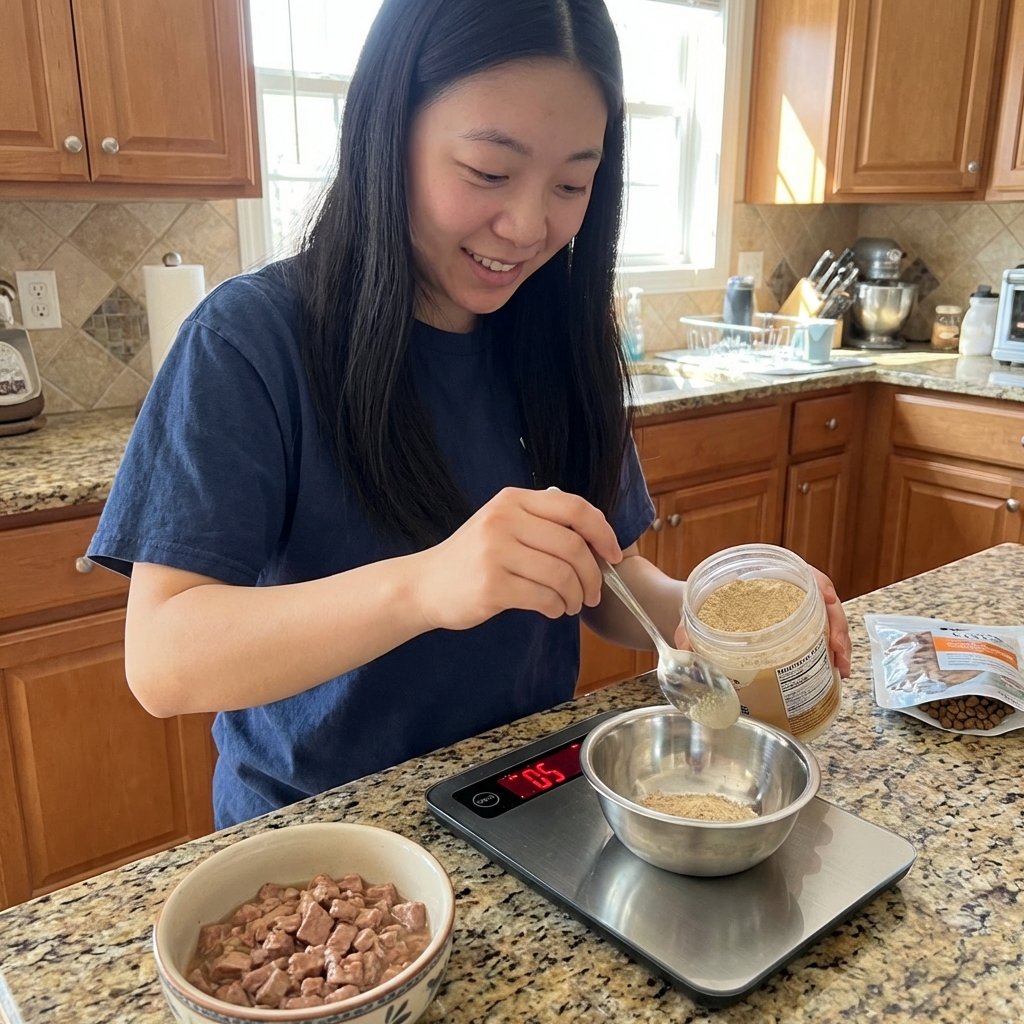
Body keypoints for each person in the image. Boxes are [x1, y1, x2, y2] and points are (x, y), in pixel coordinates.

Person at [89, 0, 851, 829]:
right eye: (489, 171)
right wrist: (426, 584)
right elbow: (163, 658)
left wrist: (709, 621)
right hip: (325, 836)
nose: (529, 227)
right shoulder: (250, 342)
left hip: (527, 800)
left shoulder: (560, 330)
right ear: (389, 130)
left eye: (571, 183)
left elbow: (602, 574)